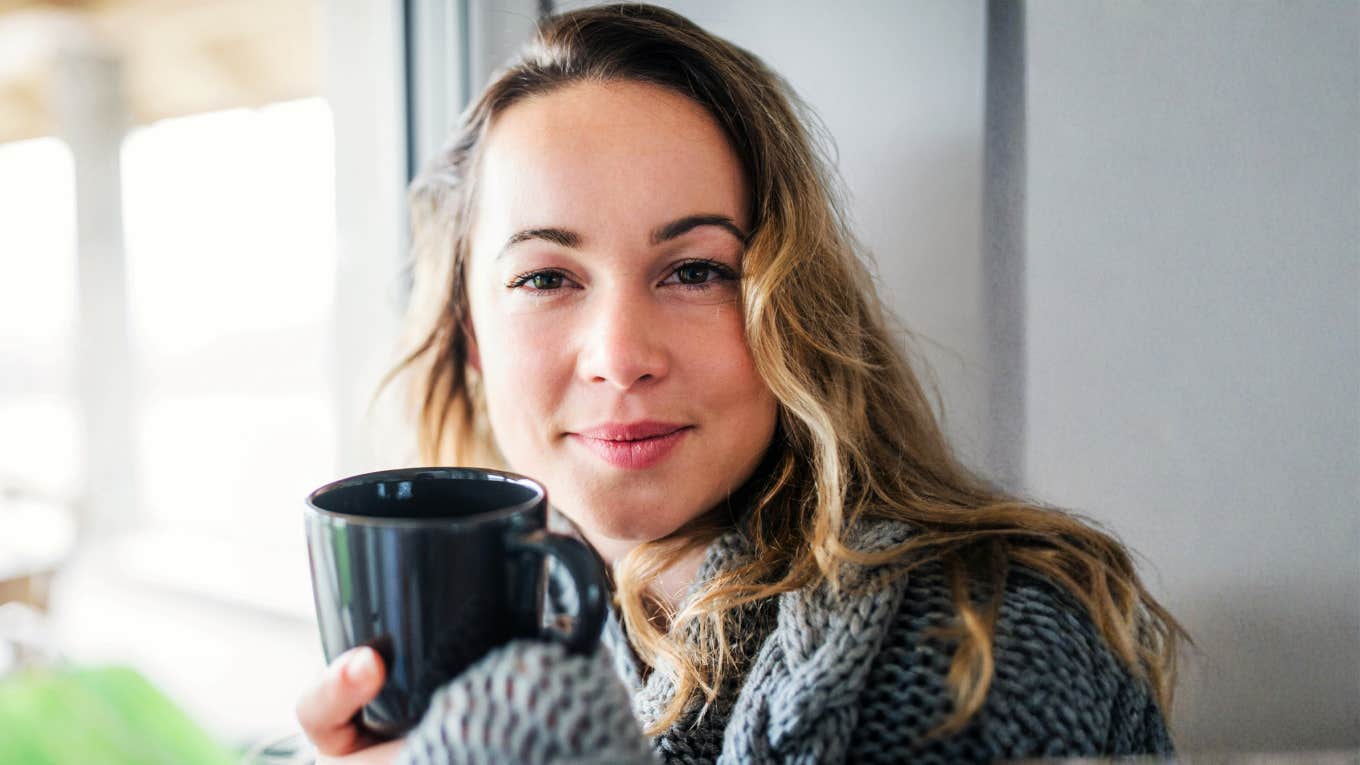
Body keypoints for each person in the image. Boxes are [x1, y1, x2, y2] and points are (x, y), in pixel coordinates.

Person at [295, 4, 1190, 763]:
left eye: (694, 271)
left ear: (788, 302)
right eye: (545, 278)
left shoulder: (992, 650)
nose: (621, 354)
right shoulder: (490, 675)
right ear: (470, 337)